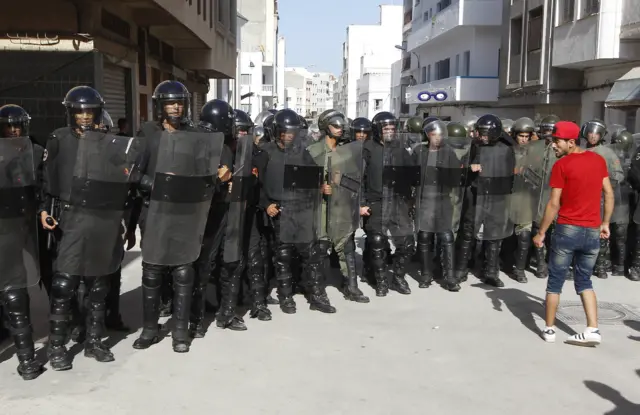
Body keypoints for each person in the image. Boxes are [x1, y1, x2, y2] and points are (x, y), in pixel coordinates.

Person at [533, 121, 613, 346]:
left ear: (571, 142)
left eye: (557, 141)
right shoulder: (598, 161)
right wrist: (605, 222)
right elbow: (608, 193)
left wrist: (541, 233)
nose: (553, 146)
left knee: (555, 282)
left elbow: (553, 204)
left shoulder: (562, 165)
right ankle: (592, 329)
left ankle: (549, 330)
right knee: (585, 281)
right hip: (592, 231)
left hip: (567, 229)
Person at [0, 104, 45, 380]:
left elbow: (40, 189)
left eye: (18, 125)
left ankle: (27, 360)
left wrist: (40, 211)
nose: (15, 130)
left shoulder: (34, 153)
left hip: (16, 230)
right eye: (9, 125)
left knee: (15, 292)